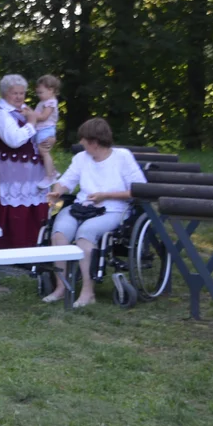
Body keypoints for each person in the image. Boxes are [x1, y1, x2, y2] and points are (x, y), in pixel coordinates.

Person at [44, 118, 146, 307]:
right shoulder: (82, 158)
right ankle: (61, 287)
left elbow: (138, 190)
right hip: (83, 207)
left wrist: (106, 195)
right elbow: (67, 181)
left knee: (86, 234)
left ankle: (88, 292)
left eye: (83, 139)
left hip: (114, 209)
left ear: (94, 141)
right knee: (59, 232)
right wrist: (58, 191)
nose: (81, 143)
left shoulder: (122, 157)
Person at [0, 74, 51, 249]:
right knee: (12, 205)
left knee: (32, 204)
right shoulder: (1, 114)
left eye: (22, 93)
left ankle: (32, 243)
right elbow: (14, 140)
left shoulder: (25, 110)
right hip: (8, 169)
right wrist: (32, 123)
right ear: (5, 94)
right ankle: (10, 246)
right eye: (15, 93)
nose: (19, 97)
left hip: (31, 168)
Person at [32, 74, 61, 188]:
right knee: (41, 152)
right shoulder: (44, 101)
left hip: (46, 130)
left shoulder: (50, 102)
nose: (39, 95)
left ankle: (50, 176)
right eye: (38, 93)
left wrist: (30, 115)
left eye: (41, 92)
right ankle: (52, 171)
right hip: (41, 130)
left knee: (44, 151)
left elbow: (44, 117)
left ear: (51, 90)